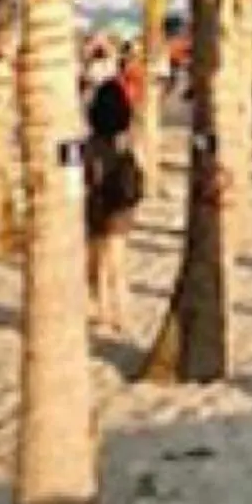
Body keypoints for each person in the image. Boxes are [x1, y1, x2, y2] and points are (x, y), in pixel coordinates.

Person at [82, 75, 144, 332]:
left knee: (95, 265)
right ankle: (121, 312)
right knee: (117, 265)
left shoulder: (89, 145)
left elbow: (82, 176)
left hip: (95, 209)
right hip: (121, 210)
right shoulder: (126, 142)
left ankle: (101, 310)